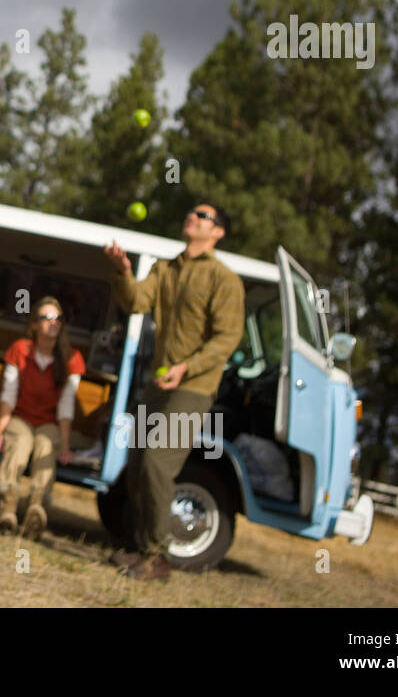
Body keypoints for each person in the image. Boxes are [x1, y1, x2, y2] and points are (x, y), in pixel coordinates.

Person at [104, 203, 244, 582]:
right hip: (158, 385)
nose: (193, 217)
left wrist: (186, 367)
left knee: (156, 463)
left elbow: (227, 339)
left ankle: (157, 558)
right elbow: (135, 301)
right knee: (136, 466)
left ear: (217, 233)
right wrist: (123, 271)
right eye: (192, 213)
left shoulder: (224, 280)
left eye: (203, 216)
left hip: (193, 387)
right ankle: (137, 548)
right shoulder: (165, 269)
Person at [0, 297, 99, 538]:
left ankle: (36, 511)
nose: (53, 323)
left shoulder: (72, 358)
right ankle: (6, 509)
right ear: (34, 325)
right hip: (21, 417)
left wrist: (65, 446)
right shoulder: (21, 349)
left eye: (57, 318)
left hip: (50, 422)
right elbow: (8, 394)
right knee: (19, 443)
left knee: (46, 446)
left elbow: (66, 406)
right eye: (46, 317)